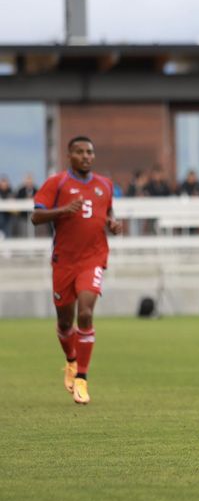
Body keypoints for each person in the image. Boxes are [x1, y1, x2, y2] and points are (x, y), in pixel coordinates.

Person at [31, 136, 122, 404]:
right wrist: (62, 210)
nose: (86, 156)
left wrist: (113, 225)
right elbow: (35, 216)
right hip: (64, 261)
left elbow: (108, 215)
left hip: (93, 258)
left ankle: (82, 378)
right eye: (80, 152)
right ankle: (71, 361)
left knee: (85, 312)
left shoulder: (104, 184)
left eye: (89, 152)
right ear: (69, 155)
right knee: (63, 321)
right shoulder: (57, 183)